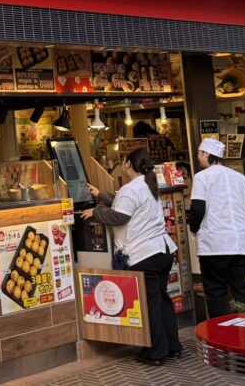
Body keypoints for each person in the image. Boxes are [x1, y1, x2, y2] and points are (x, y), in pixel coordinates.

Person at [82, 148, 181, 366]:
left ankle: (155, 352)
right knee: (161, 300)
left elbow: (119, 216)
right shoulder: (148, 184)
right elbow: (124, 203)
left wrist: (96, 211)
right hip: (163, 250)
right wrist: (101, 195)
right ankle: (173, 346)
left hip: (145, 254)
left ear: (128, 164)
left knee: (150, 304)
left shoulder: (131, 188)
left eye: (124, 161)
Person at [188, 137, 245, 318]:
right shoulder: (239, 176)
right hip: (241, 244)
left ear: (207, 154)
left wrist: (193, 228)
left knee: (216, 292)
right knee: (243, 289)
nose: (198, 157)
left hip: (214, 245)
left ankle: (220, 331)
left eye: (199, 153)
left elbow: (198, 208)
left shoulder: (201, 177)